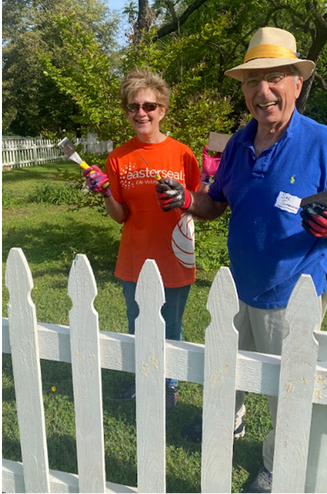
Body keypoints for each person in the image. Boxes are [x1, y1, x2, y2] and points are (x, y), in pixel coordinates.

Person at [154, 27, 327, 493]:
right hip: (241, 283)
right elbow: (216, 203)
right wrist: (186, 199)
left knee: (284, 387)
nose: (263, 91)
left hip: (295, 288)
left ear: (296, 82)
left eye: (275, 78)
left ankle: (273, 466)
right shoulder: (237, 143)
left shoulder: (322, 140)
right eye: (253, 81)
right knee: (230, 368)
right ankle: (230, 426)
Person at [82, 68, 204, 410]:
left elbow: (199, 202)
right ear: (127, 111)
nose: (141, 113)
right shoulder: (119, 157)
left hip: (176, 254)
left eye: (149, 106)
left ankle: (169, 384)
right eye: (133, 106)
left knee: (172, 325)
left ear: (162, 109)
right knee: (138, 324)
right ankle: (143, 379)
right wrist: (105, 193)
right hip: (135, 256)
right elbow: (121, 215)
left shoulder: (182, 154)